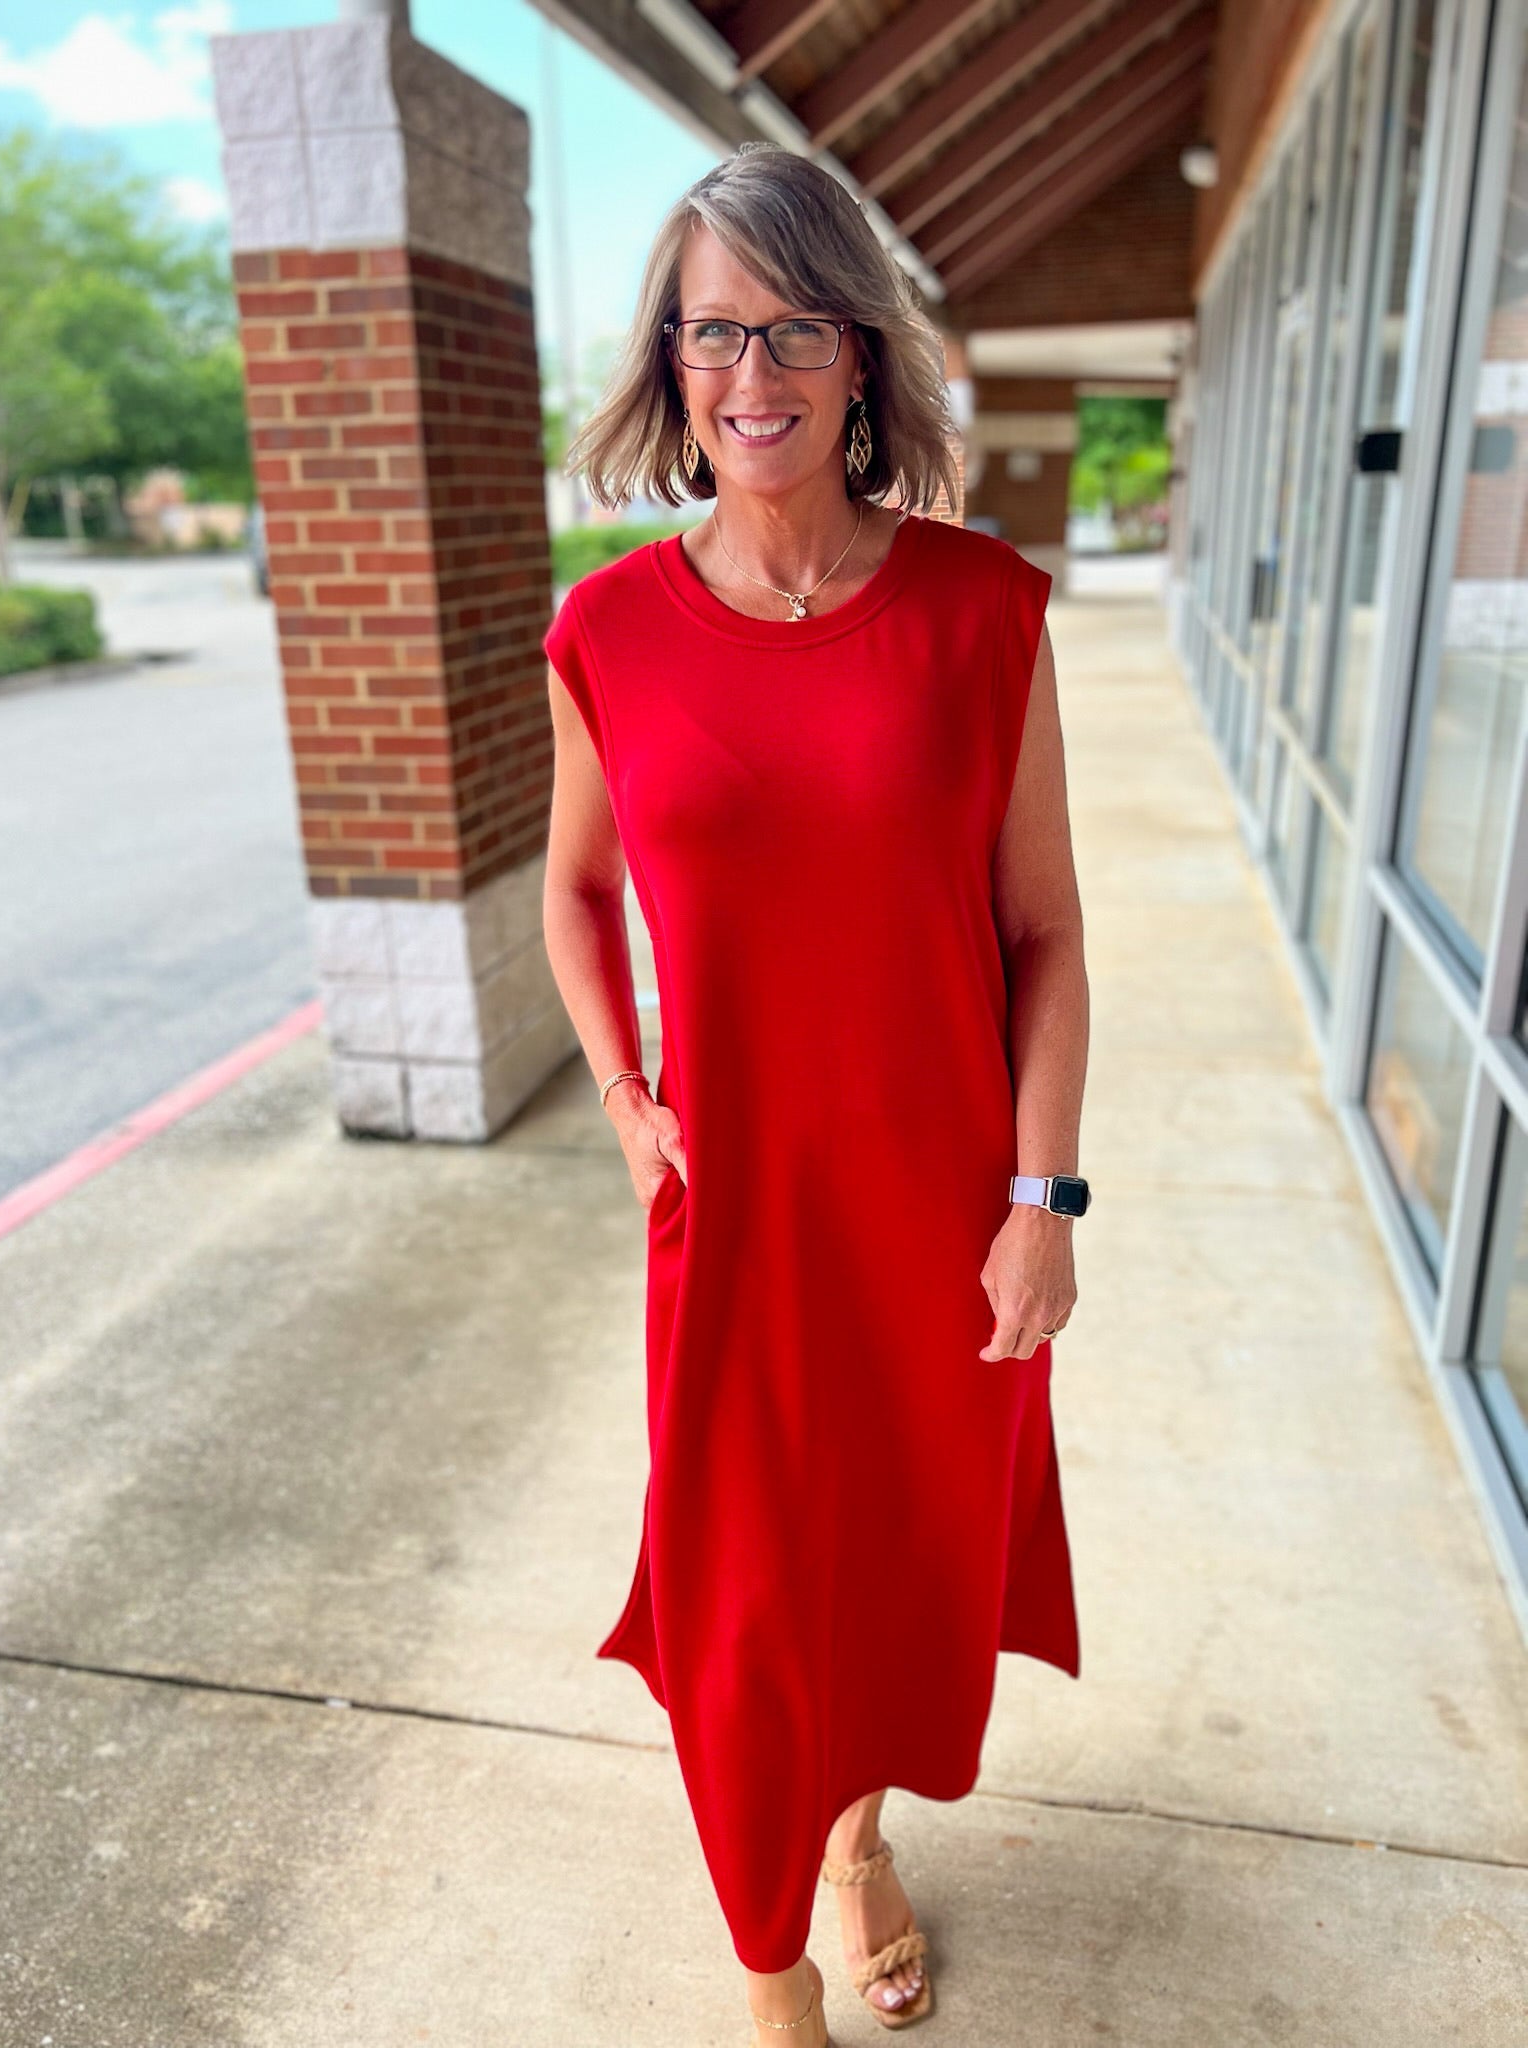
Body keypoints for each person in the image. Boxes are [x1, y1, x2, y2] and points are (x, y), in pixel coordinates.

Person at [541, 140, 1088, 2047]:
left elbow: (1049, 940)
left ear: (861, 356)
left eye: (790, 327)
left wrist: (1047, 1202)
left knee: (876, 1571)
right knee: (747, 1608)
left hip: (939, 1214)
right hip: (742, 1214)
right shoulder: (608, 633)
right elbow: (576, 890)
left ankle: (851, 1844)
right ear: (669, 360)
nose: (746, 371)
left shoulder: (979, 613)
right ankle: (772, 1967)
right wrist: (623, 1091)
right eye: (710, 331)